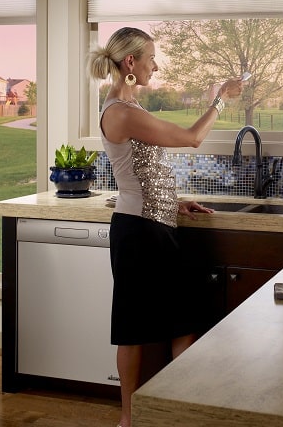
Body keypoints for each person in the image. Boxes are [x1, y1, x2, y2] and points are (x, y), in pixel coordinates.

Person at [87, 27, 244, 427]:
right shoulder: (120, 112)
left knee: (174, 322)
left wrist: (173, 202)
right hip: (140, 234)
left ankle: (174, 411)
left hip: (151, 226)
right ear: (130, 64)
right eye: (151, 58)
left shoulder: (127, 109)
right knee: (139, 329)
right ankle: (130, 418)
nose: (156, 66)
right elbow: (192, 138)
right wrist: (221, 100)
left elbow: (142, 172)